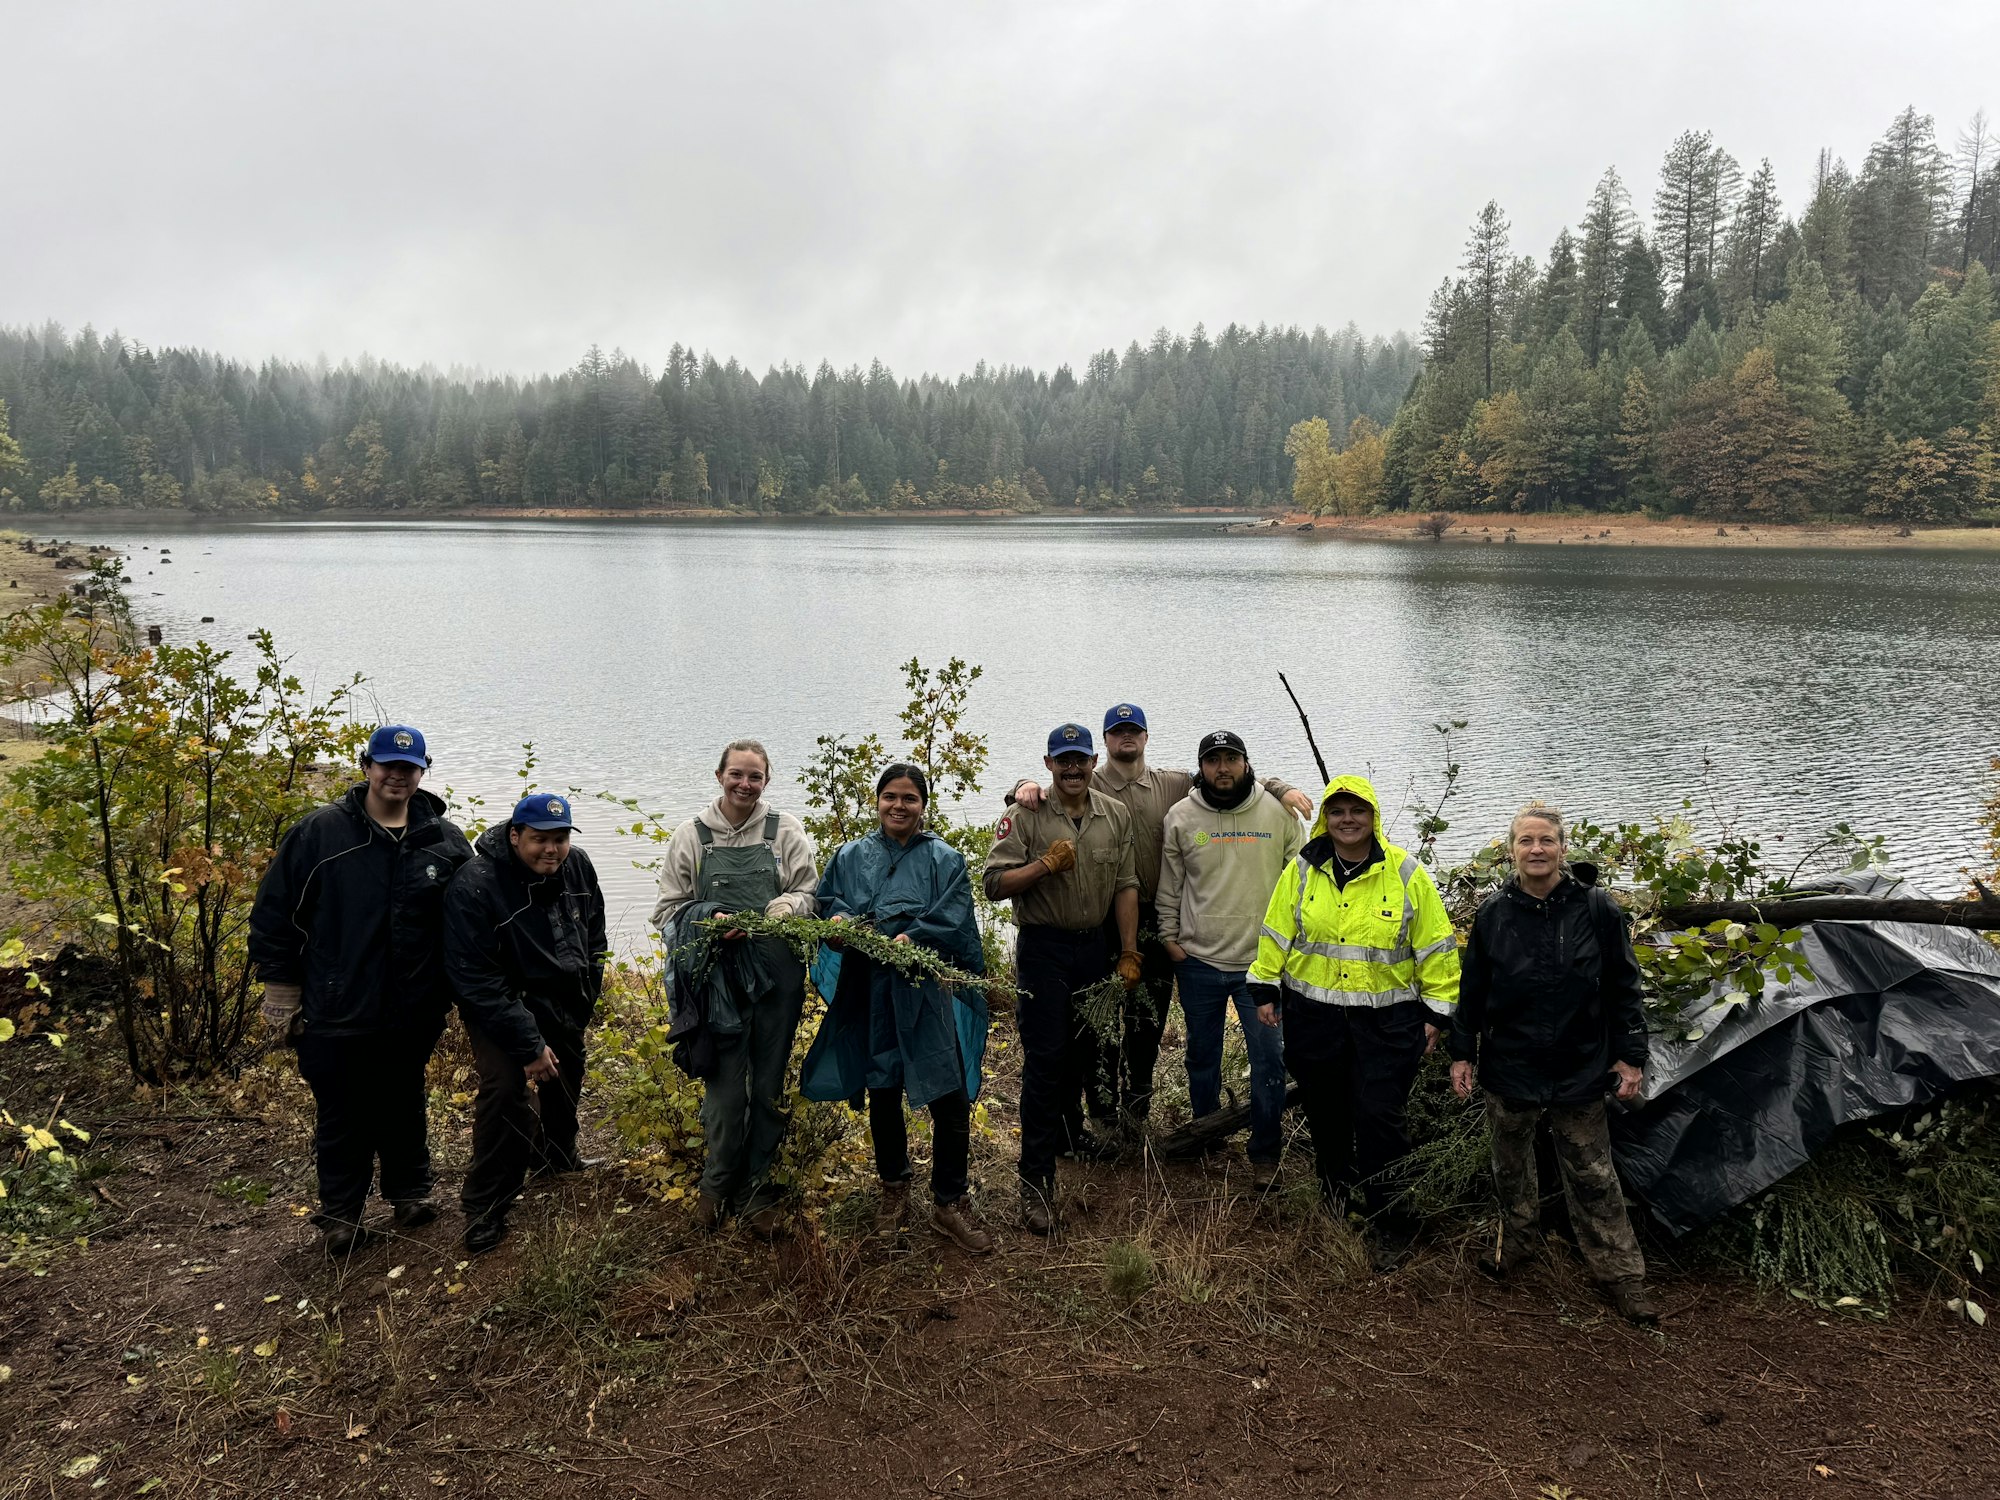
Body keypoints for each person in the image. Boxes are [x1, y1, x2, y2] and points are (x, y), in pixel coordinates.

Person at [1007, 703, 1311, 1140]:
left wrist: (1279, 788)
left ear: (1146, 737)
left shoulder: (1171, 783)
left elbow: (1230, 777)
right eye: (1116, 731)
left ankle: (1138, 1107)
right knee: (1099, 1021)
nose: (1125, 737)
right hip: (1101, 920)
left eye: (1134, 730)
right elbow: (1041, 793)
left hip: (1153, 917)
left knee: (1147, 1022)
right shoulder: (1083, 781)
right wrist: (1023, 784)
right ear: (1104, 743)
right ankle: (1102, 1112)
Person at [248, 724, 473, 1256]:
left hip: (414, 1007)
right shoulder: (320, 834)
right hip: (335, 1004)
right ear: (367, 765)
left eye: (409, 767)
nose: (398, 775)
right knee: (343, 1110)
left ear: (422, 770)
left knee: (403, 1097)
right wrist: (281, 988)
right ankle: (340, 1217)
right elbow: (275, 914)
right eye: (387, 765)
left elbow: (469, 919)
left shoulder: (443, 841)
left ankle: (410, 1194)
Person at [1449, 801, 1659, 1325]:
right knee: (1510, 1168)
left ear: (1563, 848)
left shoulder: (1597, 908)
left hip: (1580, 1064)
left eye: (1546, 841)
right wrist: (1461, 1052)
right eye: (1526, 841)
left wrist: (1631, 1058)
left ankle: (1621, 1275)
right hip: (1510, 1064)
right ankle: (1515, 1243)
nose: (1537, 850)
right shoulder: (1494, 914)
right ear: (1512, 851)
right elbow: (1472, 990)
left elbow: (1624, 987)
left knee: (1593, 1174)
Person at [1248, 774, 1459, 1269]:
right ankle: (1337, 1203)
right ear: (1326, 817)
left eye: (1357, 811)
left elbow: (1436, 949)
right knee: (1326, 1114)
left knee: (1379, 1119)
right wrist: (1263, 986)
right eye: (1338, 811)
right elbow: (1277, 930)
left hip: (1386, 1025)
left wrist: (1437, 1013)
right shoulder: (1303, 870)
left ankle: (1392, 1222)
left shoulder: (1406, 874)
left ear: (1373, 817)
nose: (1348, 820)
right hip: (1314, 1018)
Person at [801, 764, 993, 1253]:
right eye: (890, 797)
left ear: (923, 805)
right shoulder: (850, 855)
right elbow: (829, 900)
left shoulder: (944, 859)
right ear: (878, 800)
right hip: (872, 990)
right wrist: (844, 922)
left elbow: (954, 916)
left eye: (909, 798)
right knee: (882, 1088)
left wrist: (915, 937)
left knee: (947, 1094)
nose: (899, 806)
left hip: (923, 989)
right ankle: (894, 1188)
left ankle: (949, 1202)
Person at [652, 740, 818, 1238]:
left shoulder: (784, 830)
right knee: (725, 1093)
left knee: (767, 1088)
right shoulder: (692, 836)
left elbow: (809, 889)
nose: (745, 784)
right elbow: (667, 911)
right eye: (736, 775)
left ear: (767, 780)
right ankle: (715, 1187)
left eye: (755, 776)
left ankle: (756, 1191)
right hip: (717, 982)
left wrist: (787, 908)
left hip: (778, 977)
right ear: (719, 775)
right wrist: (708, 918)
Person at [984, 723, 1139, 1233]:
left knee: (1084, 1049)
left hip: (1093, 948)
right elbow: (993, 885)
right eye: (1062, 760)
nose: (1072, 769)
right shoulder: (1023, 816)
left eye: (1080, 759)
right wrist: (1043, 867)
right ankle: (1036, 1183)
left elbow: (1125, 884)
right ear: (1048, 765)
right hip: (1044, 951)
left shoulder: (1114, 814)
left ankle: (1071, 1136)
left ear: (1094, 762)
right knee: (1045, 1063)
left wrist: (1129, 951)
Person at [444, 792, 608, 1255]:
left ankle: (556, 1158)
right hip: (501, 1003)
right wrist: (528, 1043)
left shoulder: (578, 867)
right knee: (508, 1091)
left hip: (561, 997)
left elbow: (593, 933)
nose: (551, 850)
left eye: (560, 839)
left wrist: (586, 993)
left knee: (567, 1071)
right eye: (539, 840)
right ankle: (484, 1208)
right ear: (515, 836)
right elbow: (474, 979)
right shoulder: (475, 884)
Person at [1156, 730, 1304, 1187]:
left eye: (1231, 759)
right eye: (1213, 760)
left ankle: (1265, 1153)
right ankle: (1207, 1136)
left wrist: (1292, 946)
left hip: (1261, 966)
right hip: (1199, 960)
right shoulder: (1181, 816)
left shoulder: (1278, 812)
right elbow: (1171, 883)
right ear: (1201, 767)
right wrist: (1168, 937)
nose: (1223, 769)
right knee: (1202, 1056)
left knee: (1269, 1058)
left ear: (1245, 762)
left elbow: (1300, 881)